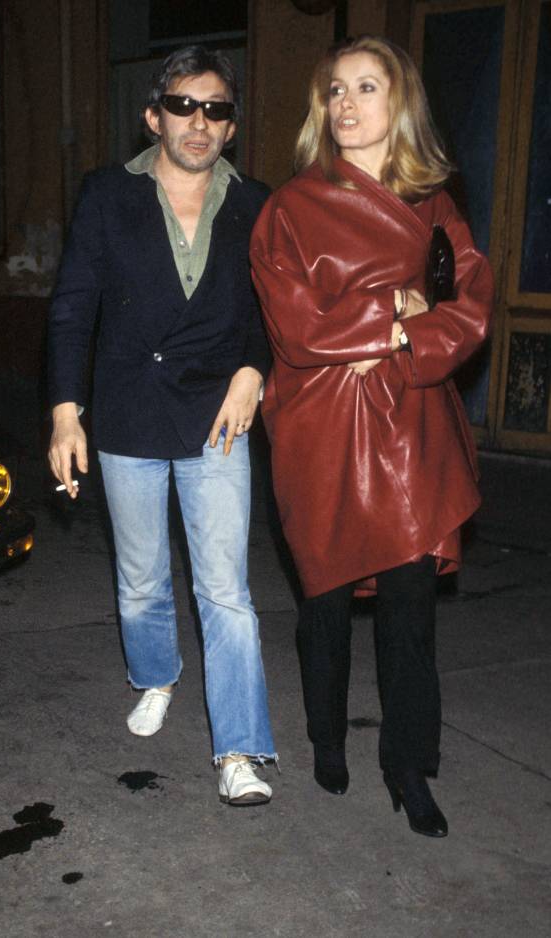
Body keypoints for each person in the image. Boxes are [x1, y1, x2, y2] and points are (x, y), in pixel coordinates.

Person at [250, 35, 493, 836]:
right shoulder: (290, 208)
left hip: (411, 423)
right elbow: (297, 327)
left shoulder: (435, 206)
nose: (346, 104)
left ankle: (408, 766)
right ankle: (326, 736)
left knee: (409, 608)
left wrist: (409, 340)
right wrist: (390, 313)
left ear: (400, 101)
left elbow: (470, 306)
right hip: (320, 425)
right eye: (335, 90)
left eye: (365, 87)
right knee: (322, 601)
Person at [47, 45, 276, 805]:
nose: (198, 121)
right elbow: (73, 306)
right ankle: (155, 676)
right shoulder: (108, 193)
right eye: (183, 105)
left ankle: (238, 749)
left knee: (226, 591)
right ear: (154, 116)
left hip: (217, 414)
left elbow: (273, 308)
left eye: (215, 109)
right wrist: (65, 412)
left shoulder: (256, 203)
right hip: (128, 411)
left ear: (230, 126)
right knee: (142, 577)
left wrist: (254, 369)